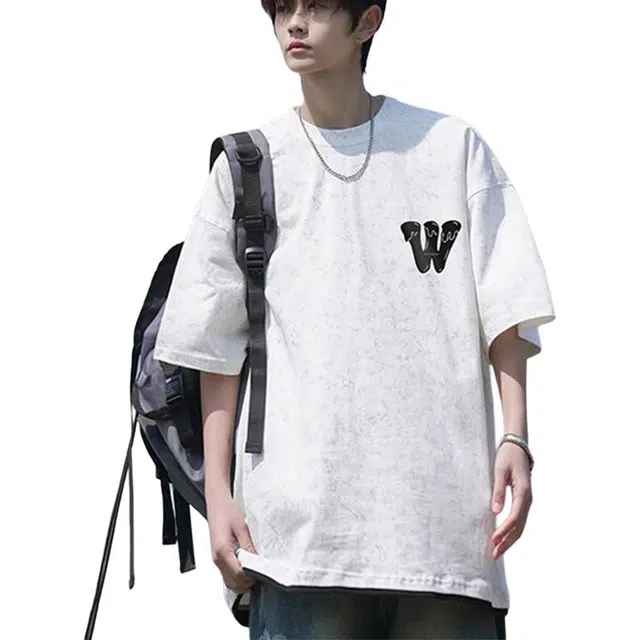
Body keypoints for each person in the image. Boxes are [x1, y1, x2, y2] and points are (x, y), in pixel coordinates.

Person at [153, 1, 556, 638]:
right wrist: (221, 494)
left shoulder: (451, 150)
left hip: (446, 539)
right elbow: (215, 347)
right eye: (283, 7)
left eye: (316, 6)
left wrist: (517, 437)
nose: (295, 22)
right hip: (297, 542)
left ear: (367, 22)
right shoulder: (249, 166)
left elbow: (505, 307)